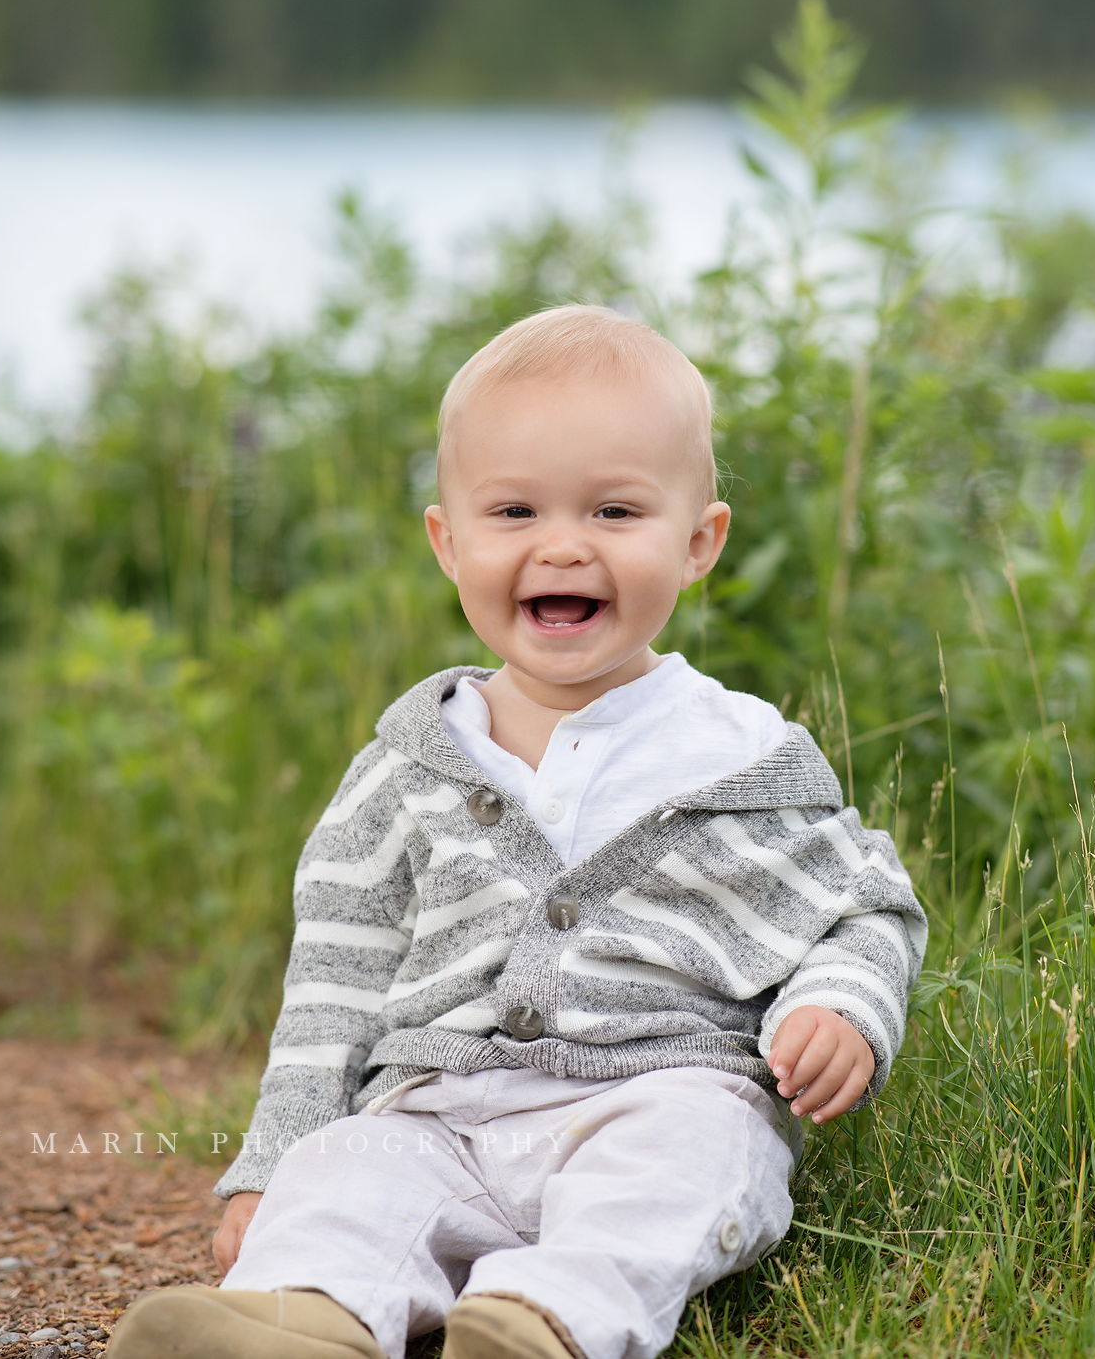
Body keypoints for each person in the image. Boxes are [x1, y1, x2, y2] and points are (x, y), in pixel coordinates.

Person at [105, 305, 925, 1359]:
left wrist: (836, 1006)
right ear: (448, 543)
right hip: (439, 1110)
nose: (563, 545)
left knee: (697, 1154)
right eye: (514, 512)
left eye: (616, 512)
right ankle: (304, 1316)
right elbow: (334, 983)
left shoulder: (734, 754)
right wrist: (273, 1163)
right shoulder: (406, 768)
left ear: (697, 544)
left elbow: (864, 905)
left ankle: (543, 1322)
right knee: (350, 1173)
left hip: (653, 1089)